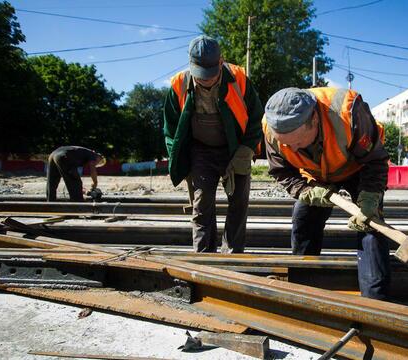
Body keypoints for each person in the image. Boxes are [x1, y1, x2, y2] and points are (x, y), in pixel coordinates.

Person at [263, 87, 391, 300]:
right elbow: (282, 171)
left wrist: (370, 198)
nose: (292, 150)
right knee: (303, 221)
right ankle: (304, 287)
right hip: (316, 175)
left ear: (314, 120)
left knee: (370, 227)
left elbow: (375, 160)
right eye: (286, 144)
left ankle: (376, 300)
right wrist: (307, 191)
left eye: (297, 143)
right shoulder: (271, 127)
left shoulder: (348, 112)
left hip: (358, 168)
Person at [163, 35, 263, 253]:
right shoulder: (178, 84)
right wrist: (180, 158)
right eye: (201, 76)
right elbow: (170, 129)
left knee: (238, 204)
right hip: (200, 151)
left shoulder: (239, 79)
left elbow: (257, 118)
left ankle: (233, 256)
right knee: (201, 205)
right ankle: (204, 258)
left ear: (221, 61)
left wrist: (245, 152)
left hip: (235, 149)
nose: (205, 80)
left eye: (210, 75)